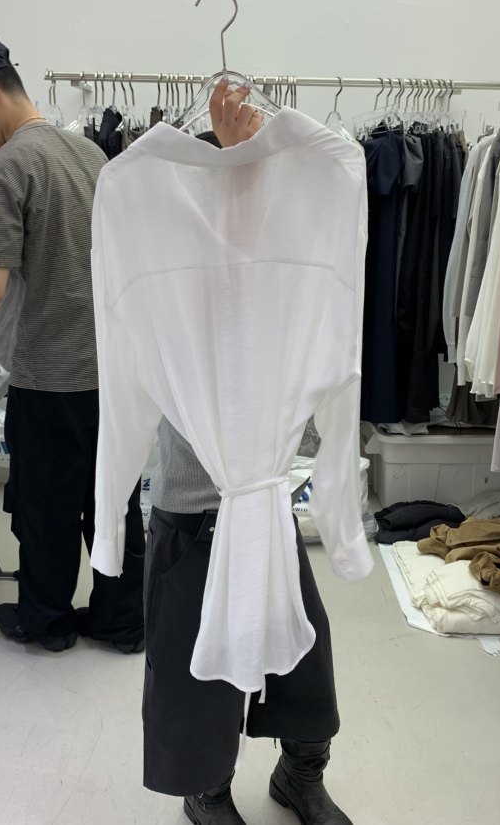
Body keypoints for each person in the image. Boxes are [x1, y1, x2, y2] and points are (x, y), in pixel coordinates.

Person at [138, 85, 354, 825]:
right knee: (195, 678)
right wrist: (236, 170)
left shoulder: (282, 259)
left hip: (262, 503)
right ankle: (206, 791)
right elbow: (220, 286)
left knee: (305, 662)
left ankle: (300, 773)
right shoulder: (169, 244)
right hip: (194, 508)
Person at [0, 30, 145, 655]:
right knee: (113, 499)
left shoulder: (4, 170)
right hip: (111, 371)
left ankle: (46, 621)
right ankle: (123, 621)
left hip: (50, 376)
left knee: (46, 507)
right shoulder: (91, 156)